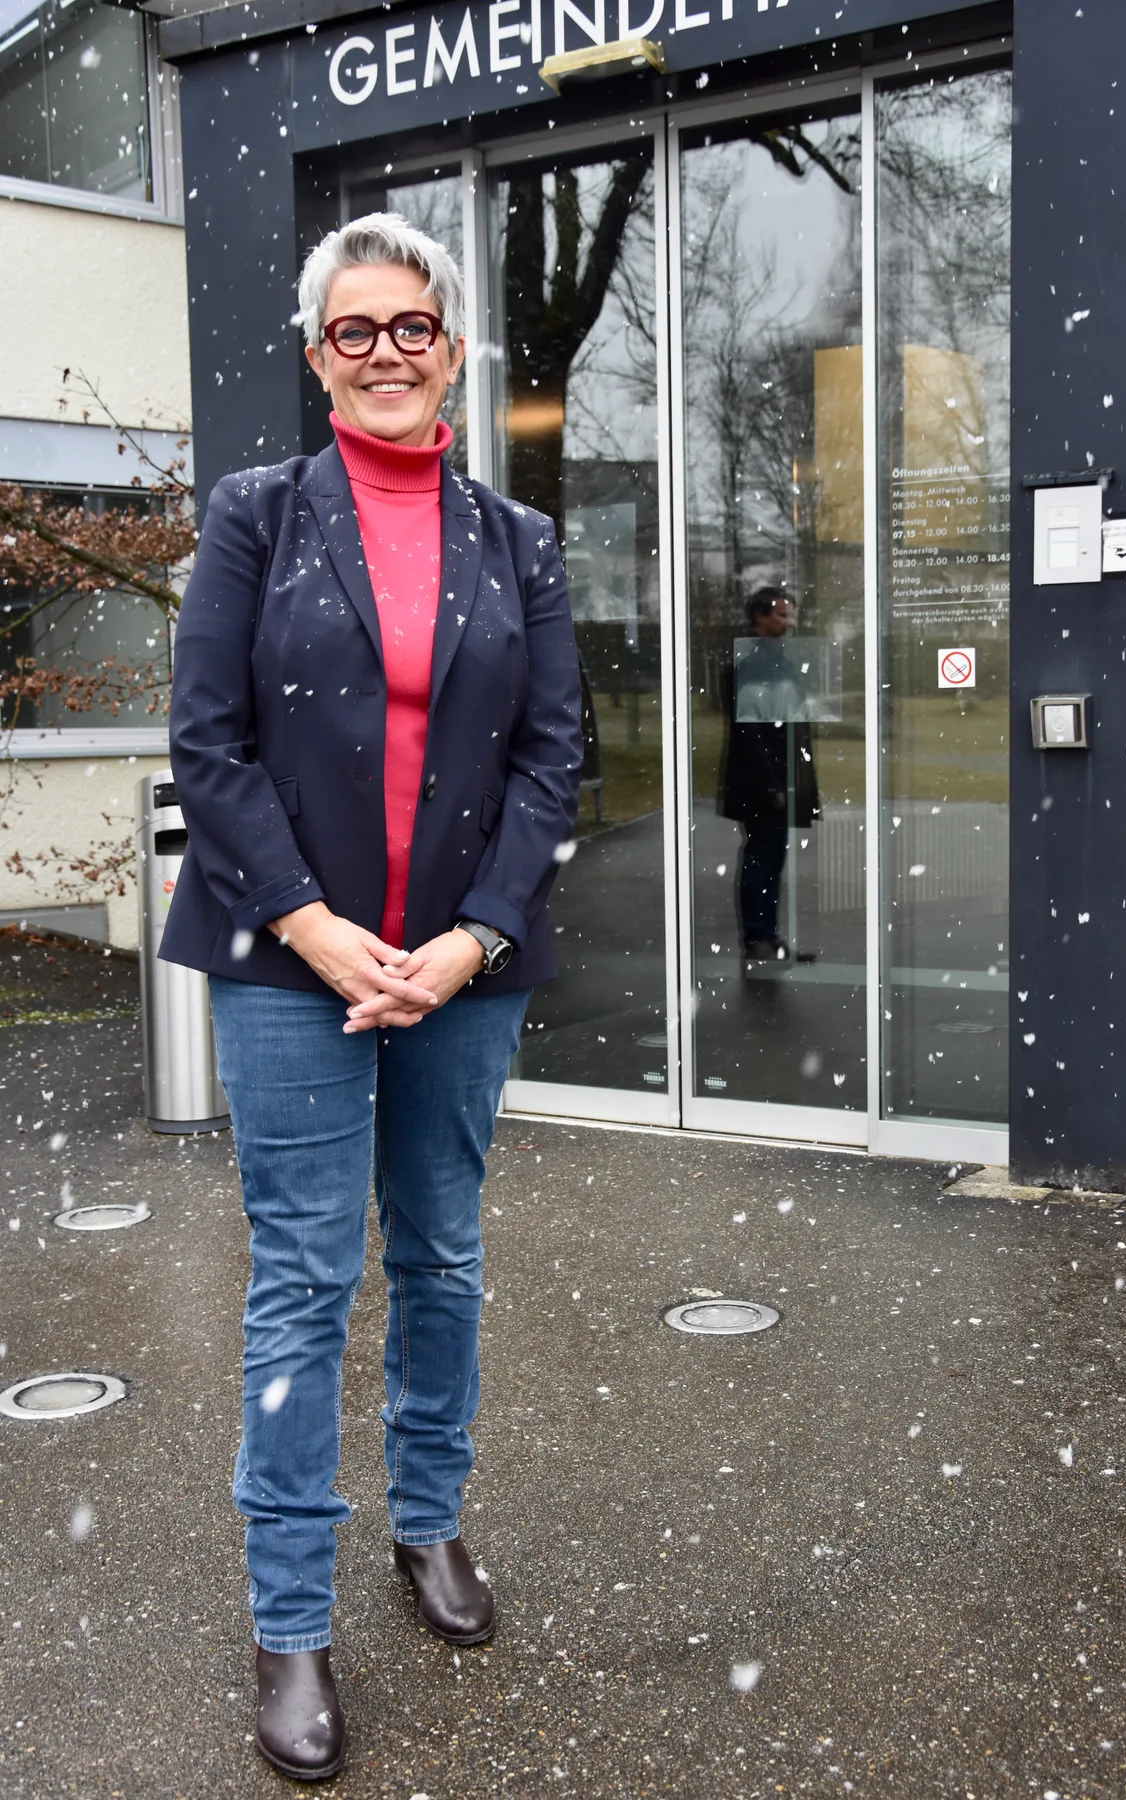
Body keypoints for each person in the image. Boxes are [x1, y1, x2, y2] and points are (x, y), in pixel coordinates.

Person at [161, 213, 582, 1781]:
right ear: (316, 355)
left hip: (463, 970)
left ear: (454, 351)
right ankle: (288, 1618)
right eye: (356, 331)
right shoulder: (259, 516)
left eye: (414, 327)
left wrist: (470, 939)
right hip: (293, 964)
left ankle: (427, 1524)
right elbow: (211, 745)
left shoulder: (516, 541)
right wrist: (316, 927)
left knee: (446, 1259)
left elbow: (551, 759)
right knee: (303, 1278)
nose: (388, 351)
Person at [719, 587, 820, 962]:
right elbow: (751, 732)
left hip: (780, 776)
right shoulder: (750, 666)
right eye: (780, 614)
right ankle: (756, 936)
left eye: (788, 614)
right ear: (759, 618)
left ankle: (768, 934)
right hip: (763, 781)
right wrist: (770, 783)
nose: (788, 621)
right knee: (761, 855)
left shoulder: (781, 662)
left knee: (772, 854)